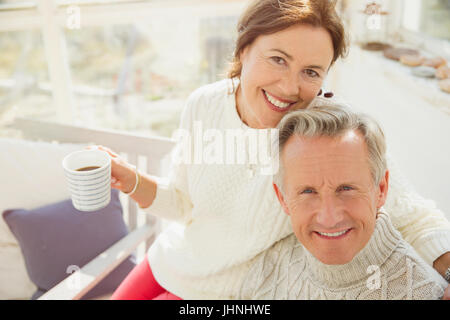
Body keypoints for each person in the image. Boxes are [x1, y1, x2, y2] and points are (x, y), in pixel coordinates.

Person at [99, 0, 450, 300]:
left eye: (311, 72)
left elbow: (415, 216)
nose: (289, 87)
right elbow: (182, 202)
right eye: (278, 59)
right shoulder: (204, 104)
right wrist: (129, 179)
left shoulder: (325, 132)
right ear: (244, 48)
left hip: (234, 293)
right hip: (173, 258)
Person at [239, 103, 448, 299]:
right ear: (283, 198)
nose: (329, 218)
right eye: (308, 192)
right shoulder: (268, 269)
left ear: (381, 189)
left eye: (346, 189)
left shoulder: (425, 292)